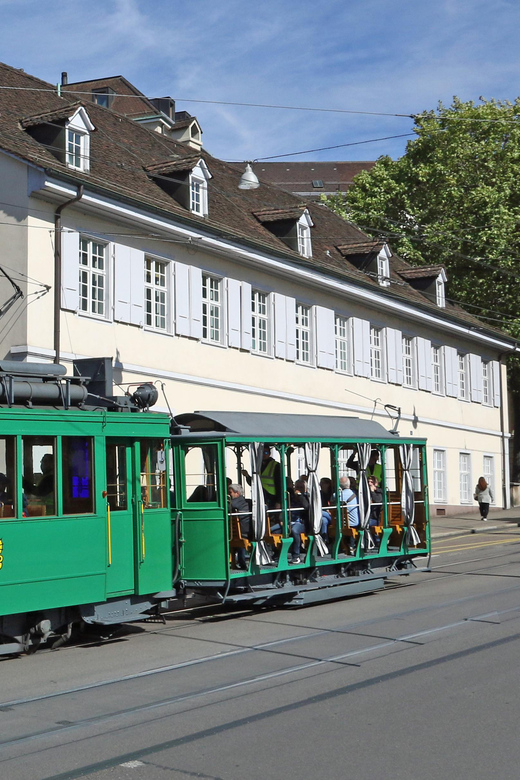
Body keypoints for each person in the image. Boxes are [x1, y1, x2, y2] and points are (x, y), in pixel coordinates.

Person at [242, 445, 282, 510]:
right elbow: (253, 483)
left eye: (265, 453)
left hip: (271, 497)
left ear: (269, 454)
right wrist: (247, 476)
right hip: (259, 495)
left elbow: (279, 484)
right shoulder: (258, 465)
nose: (263, 455)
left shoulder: (275, 465)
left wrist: (278, 501)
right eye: (262, 452)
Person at [228, 483, 251, 569]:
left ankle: (236, 561)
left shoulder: (234, 503)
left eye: (230, 493)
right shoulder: (246, 502)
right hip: (244, 532)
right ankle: (242, 562)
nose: (228, 495)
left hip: (241, 532)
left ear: (237, 493)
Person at [368, 475, 383, 547]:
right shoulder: (365, 492)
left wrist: (372, 491)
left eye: (372, 482)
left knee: (367, 524)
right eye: (368, 482)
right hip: (367, 515)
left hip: (375, 517)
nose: (369, 483)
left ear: (376, 484)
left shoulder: (379, 492)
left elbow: (377, 500)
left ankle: (377, 541)